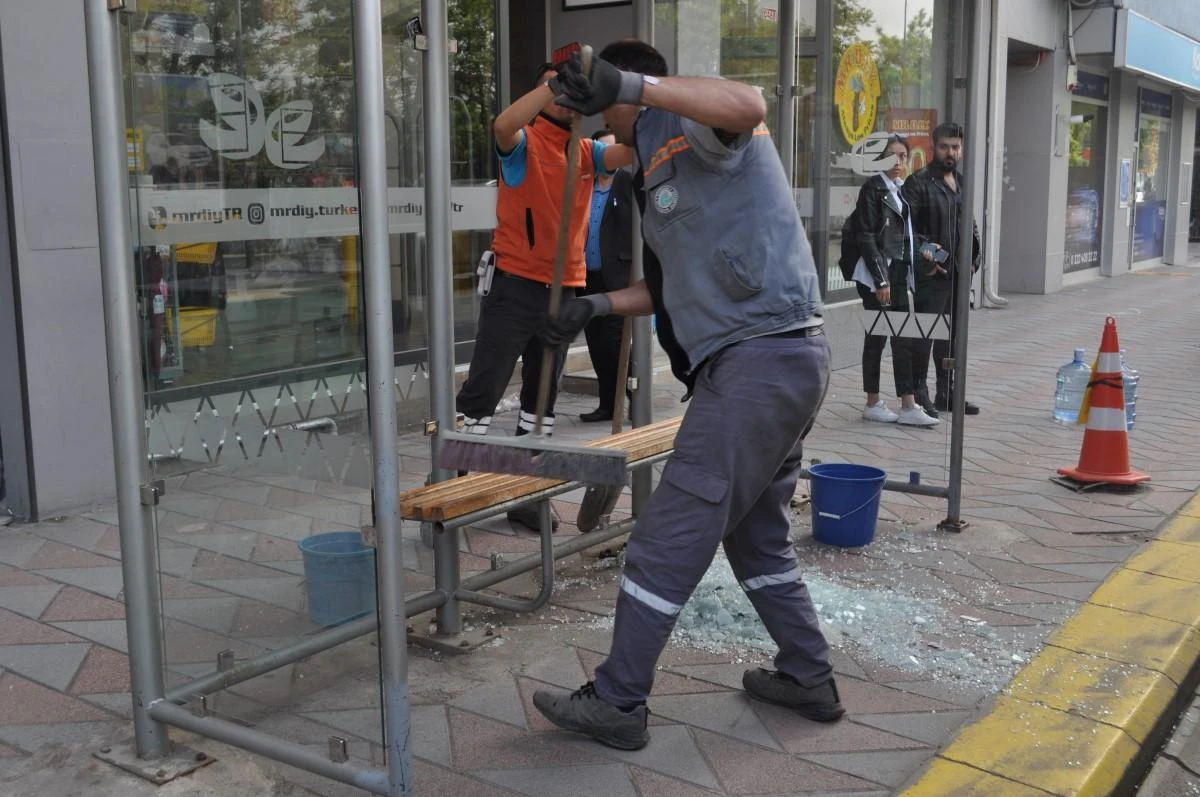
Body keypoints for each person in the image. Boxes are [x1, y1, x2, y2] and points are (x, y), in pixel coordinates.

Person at [531, 40, 843, 751]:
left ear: (623, 88)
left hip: (759, 361)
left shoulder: (689, 121)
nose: (595, 112)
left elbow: (750, 104)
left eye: (596, 93)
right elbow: (674, 288)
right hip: (776, 361)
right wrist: (597, 307)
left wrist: (634, 83)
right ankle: (807, 675)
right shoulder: (649, 157)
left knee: (665, 538)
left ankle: (618, 699)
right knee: (757, 538)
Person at [454, 62, 634, 532]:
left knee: (542, 398)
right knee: (484, 389)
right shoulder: (524, 142)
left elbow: (629, 149)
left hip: (565, 289)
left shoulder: (587, 151)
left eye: (571, 90)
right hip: (514, 284)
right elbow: (502, 125)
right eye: (551, 88)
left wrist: (619, 94)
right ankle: (448, 484)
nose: (561, 96)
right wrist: (555, 85)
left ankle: (527, 494)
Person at [853, 135, 938, 427]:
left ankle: (908, 403)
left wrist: (931, 255)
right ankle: (873, 401)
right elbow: (865, 236)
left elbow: (913, 235)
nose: (899, 162)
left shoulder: (902, 190)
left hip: (900, 273)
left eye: (903, 156)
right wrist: (881, 280)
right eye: (892, 156)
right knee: (876, 338)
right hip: (878, 276)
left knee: (903, 338)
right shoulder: (872, 189)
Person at [902, 121, 981, 416]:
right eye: (946, 146)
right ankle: (919, 393)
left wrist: (975, 258)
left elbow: (970, 225)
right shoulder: (918, 182)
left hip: (959, 276)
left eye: (956, 147)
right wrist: (935, 257)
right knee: (925, 335)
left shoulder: (961, 182)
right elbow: (907, 232)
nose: (951, 152)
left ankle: (947, 393)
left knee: (953, 337)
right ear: (934, 147)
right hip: (932, 275)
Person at [579, 129, 634, 423]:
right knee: (596, 344)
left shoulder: (628, 184)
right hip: (587, 277)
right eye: (603, 149)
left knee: (615, 344)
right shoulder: (583, 186)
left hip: (618, 278)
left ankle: (628, 399)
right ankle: (606, 404)